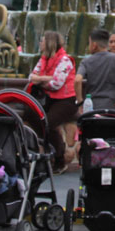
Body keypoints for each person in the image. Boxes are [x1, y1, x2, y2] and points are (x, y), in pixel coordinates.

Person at [29, 31, 76, 174]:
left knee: (48, 124)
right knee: (31, 115)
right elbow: (32, 77)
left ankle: (59, 158)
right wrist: (47, 78)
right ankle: (49, 152)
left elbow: (56, 84)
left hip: (65, 100)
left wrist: (41, 79)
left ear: (49, 43)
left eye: (42, 41)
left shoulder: (65, 60)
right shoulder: (43, 59)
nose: (40, 44)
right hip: (49, 98)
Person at [74, 29, 115, 111]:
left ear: (94, 45)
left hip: (92, 107)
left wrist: (80, 102)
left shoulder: (86, 61)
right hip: (113, 106)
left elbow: (77, 80)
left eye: (89, 43)